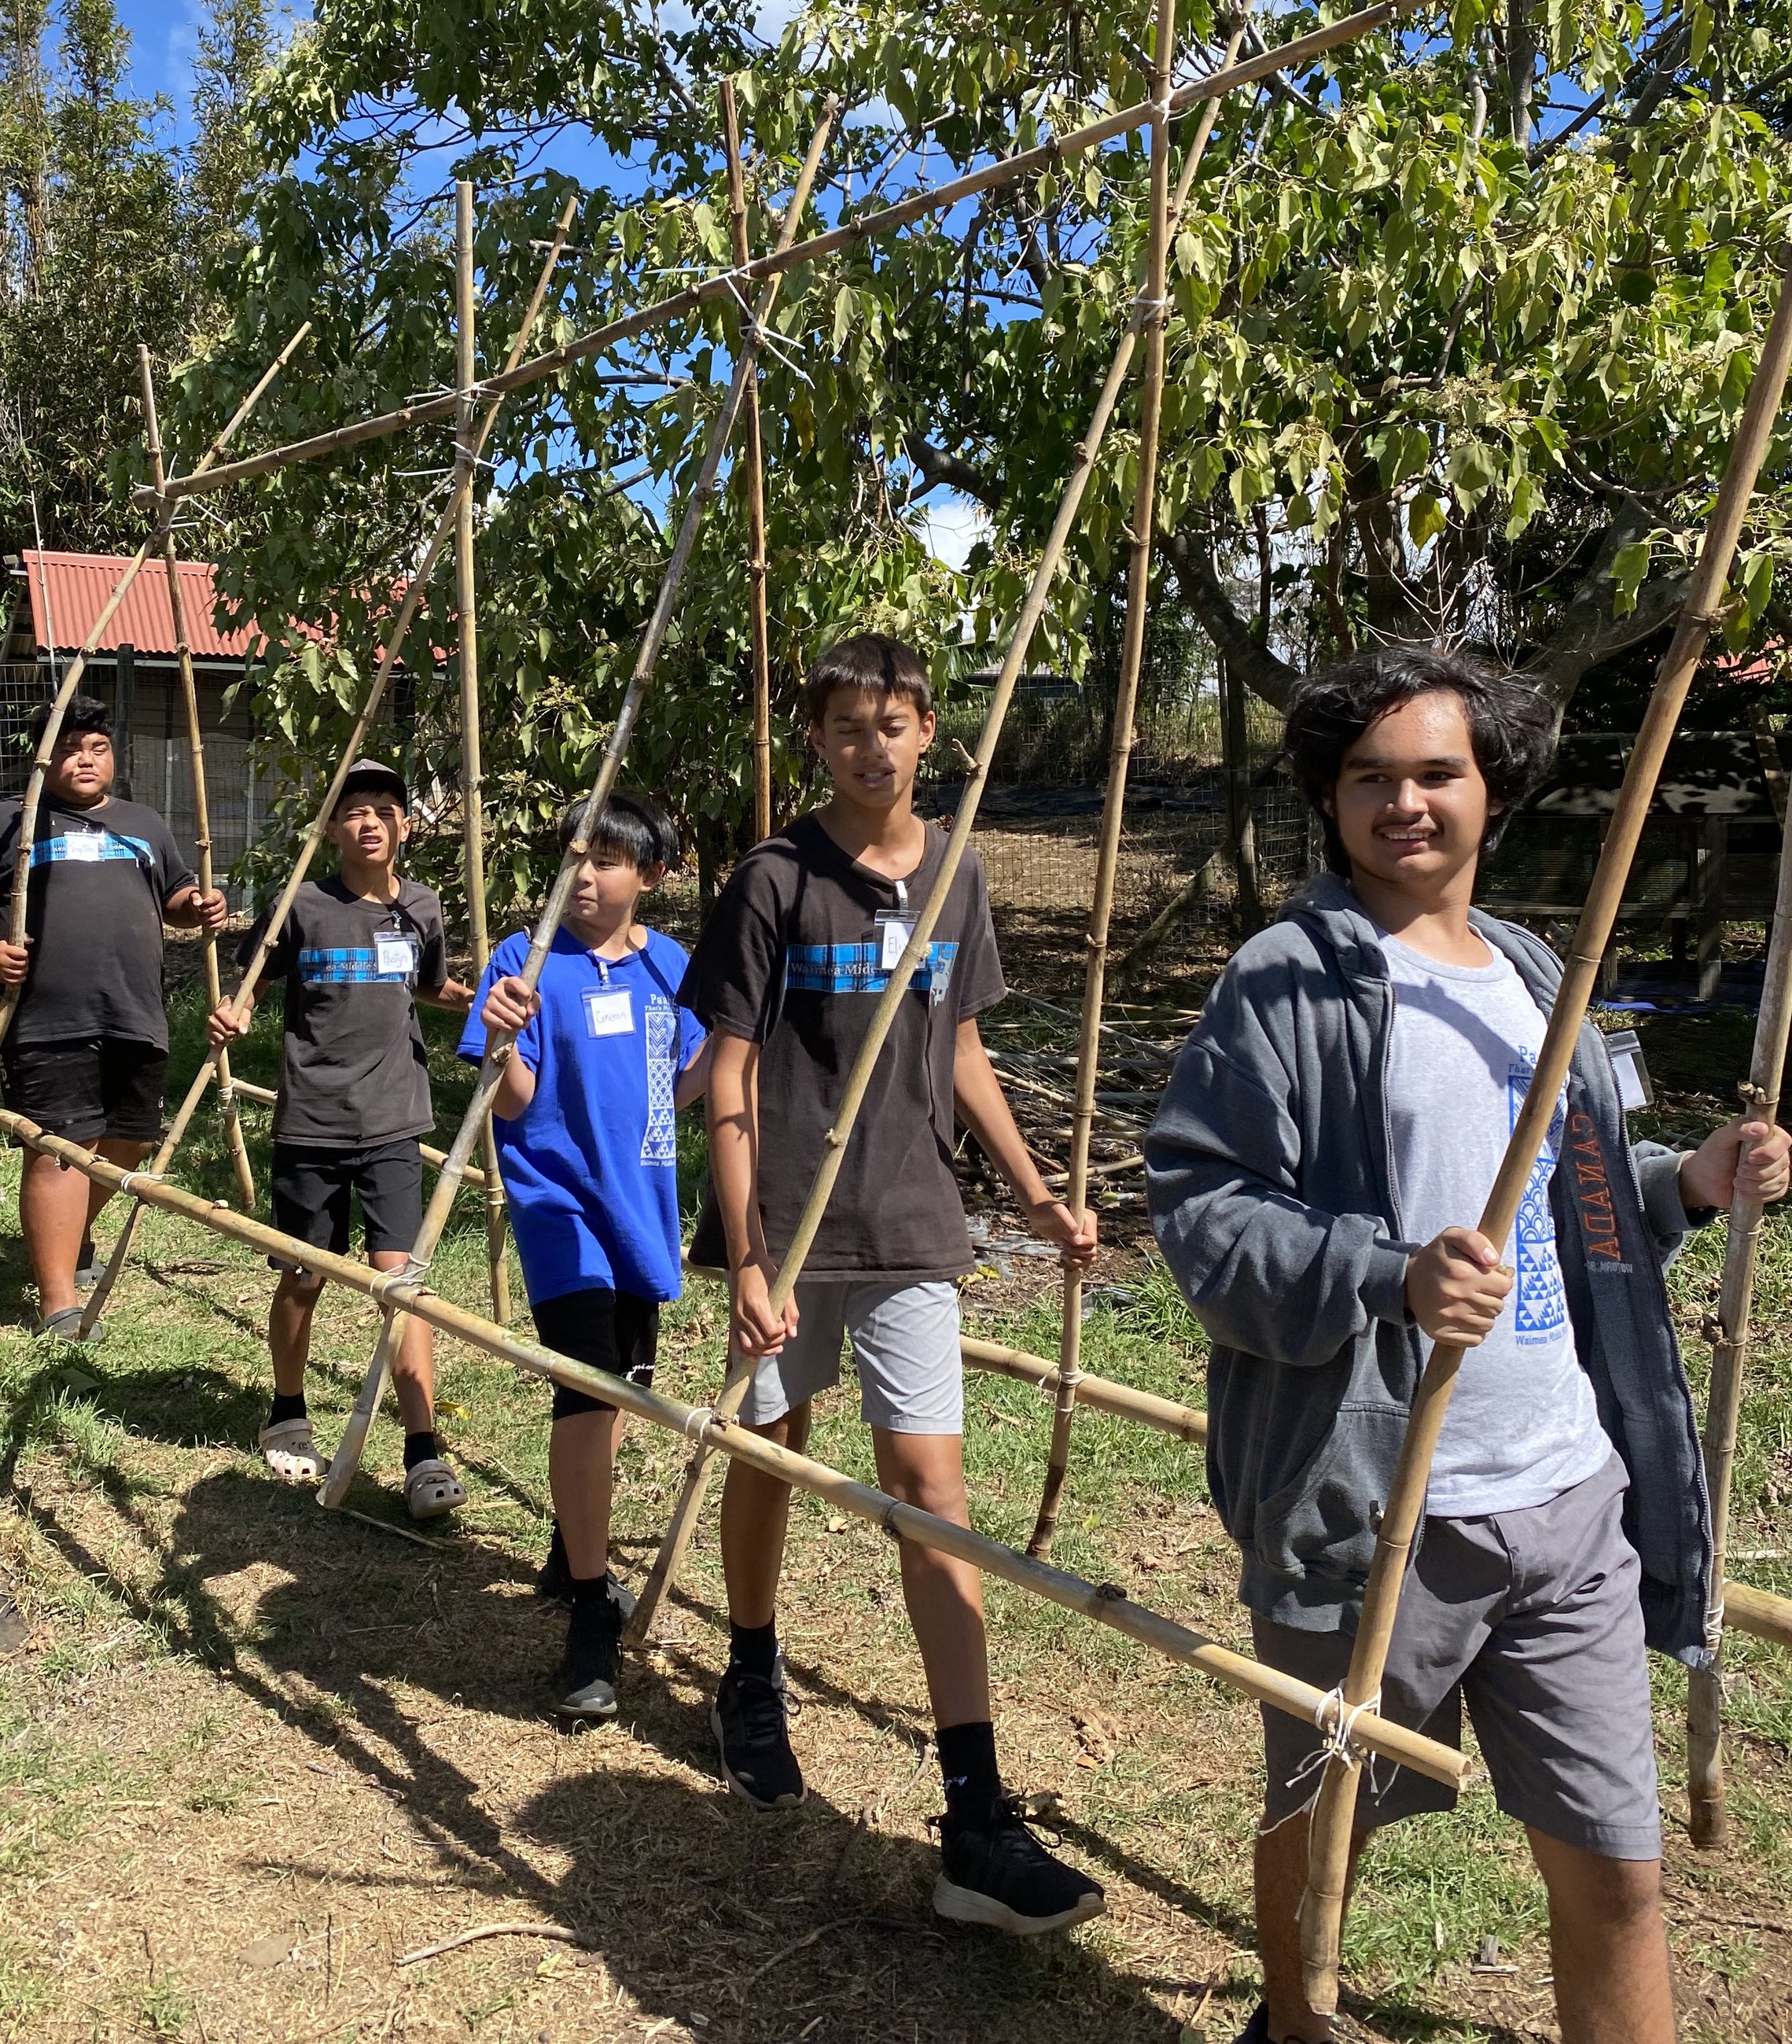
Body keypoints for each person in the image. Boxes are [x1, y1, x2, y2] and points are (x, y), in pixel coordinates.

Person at [1144, 646, 1792, 2044]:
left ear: (1492, 786)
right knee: (1326, 1829)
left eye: (1436, 771)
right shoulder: (1288, 983)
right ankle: (1292, 2022)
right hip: (1378, 1503)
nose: (1405, 803)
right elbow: (1202, 1213)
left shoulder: (1533, 971)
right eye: (1369, 778)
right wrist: (1386, 1275)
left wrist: (1687, 1180)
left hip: (1568, 1492)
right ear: (1330, 799)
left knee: (1620, 1871)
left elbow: (1579, 1198)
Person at [679, 629, 1106, 1937]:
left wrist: (1030, 1187)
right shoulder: (772, 880)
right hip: (796, 1233)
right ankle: (751, 1667)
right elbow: (730, 1076)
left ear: (932, 733)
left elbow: (961, 1047)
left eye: (897, 721)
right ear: (817, 735)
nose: (875, 742)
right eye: (850, 723)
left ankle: (975, 1810)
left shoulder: (957, 874)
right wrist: (749, 1254)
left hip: (916, 1222)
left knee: (932, 1488)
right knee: (776, 1449)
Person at [466, 790, 710, 1720]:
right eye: (575, 859)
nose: (586, 878)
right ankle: (591, 1609)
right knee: (591, 1386)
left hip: (638, 1208)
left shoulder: (672, 969)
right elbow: (515, 1102)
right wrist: (498, 1036)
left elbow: (681, 1089)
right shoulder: (524, 963)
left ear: (648, 875)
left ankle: (571, 1541)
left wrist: (734, 1044)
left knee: (623, 1388)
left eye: (606, 861)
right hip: (556, 1205)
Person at [209, 758, 473, 1520]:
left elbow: (421, 983)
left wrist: (463, 999)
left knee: (403, 1284)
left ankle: (423, 1452)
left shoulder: (421, 907)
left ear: (406, 826)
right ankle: (286, 1408)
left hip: (394, 1116)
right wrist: (238, 1012)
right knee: (303, 1275)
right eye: (353, 811)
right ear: (332, 829)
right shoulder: (304, 905)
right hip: (313, 1117)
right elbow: (254, 979)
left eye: (384, 809)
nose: (369, 822)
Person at [0, 694, 226, 1339]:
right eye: (68, 747)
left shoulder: (144, 823)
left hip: (136, 1010)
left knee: (127, 1140)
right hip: (45, 1016)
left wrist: (197, 905)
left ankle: (73, 1235)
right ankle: (59, 1302)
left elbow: (172, 895)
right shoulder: (10, 821)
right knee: (59, 1150)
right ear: (44, 757)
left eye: (97, 747)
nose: (84, 759)